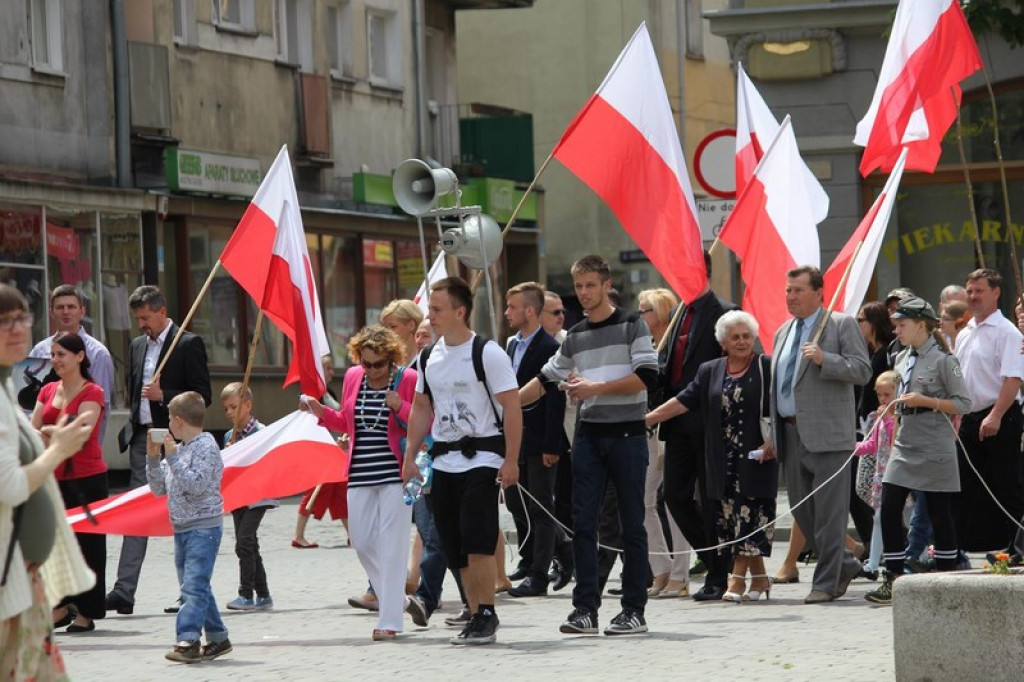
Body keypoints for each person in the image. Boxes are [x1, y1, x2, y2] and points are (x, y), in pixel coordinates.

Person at [520, 254, 658, 636]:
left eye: (590, 285)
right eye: (578, 286)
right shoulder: (576, 335)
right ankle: (584, 610)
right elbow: (545, 379)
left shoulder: (632, 324)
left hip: (628, 435)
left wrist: (595, 388)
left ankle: (633, 610)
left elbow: (648, 376)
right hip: (589, 438)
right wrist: (507, 403)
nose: (583, 292)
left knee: (631, 525)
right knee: (583, 525)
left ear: (606, 285)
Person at [401, 277, 521, 646]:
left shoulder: (488, 353)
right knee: (454, 546)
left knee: (477, 540)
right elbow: (422, 408)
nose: (431, 316)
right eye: (430, 310)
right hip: (444, 462)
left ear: (460, 311)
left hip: (482, 458)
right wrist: (409, 456)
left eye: (437, 309)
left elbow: (512, 407)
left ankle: (486, 612)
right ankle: (473, 611)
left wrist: (511, 460)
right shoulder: (428, 357)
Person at [646, 311, 778, 602]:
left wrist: (775, 441)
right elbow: (684, 400)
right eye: (735, 337)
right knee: (729, 519)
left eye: (746, 336)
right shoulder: (710, 370)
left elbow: (781, 406)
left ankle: (736, 581)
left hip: (756, 456)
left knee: (749, 517)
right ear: (723, 343)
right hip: (721, 457)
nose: (742, 341)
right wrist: (648, 418)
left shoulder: (766, 366)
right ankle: (759, 579)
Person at [0, 284, 95, 680]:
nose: (16, 329)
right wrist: (58, 451)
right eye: (3, 321)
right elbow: (8, 486)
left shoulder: (6, 385)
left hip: (23, 574)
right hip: (8, 578)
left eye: (21, 318)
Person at [301, 325, 418, 641]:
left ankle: (390, 620)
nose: (372, 370)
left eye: (378, 364)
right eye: (366, 363)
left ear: (391, 358)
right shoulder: (354, 377)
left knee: (392, 546)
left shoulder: (407, 379)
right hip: (359, 473)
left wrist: (401, 406)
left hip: (395, 473)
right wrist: (320, 411)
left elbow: (425, 421)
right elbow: (346, 421)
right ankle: (399, 599)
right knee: (362, 540)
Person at [107, 285, 212, 616]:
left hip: (177, 439)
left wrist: (164, 396)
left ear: (162, 312)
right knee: (138, 510)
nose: (141, 324)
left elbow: (203, 396)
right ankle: (124, 591)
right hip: (143, 439)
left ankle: (189, 591)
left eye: (146, 318)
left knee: (184, 515)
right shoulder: (137, 345)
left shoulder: (188, 343)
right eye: (137, 319)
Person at [771, 266, 871, 604]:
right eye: (788, 290)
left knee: (829, 514)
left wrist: (825, 359)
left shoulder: (840, 324)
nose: (791, 296)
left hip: (828, 435)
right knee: (803, 513)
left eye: (798, 290)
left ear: (818, 293)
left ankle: (826, 582)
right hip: (790, 433)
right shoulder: (783, 332)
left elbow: (862, 370)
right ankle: (845, 564)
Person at [865, 298, 971, 604]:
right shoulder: (901, 357)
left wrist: (926, 401)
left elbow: (964, 403)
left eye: (902, 324)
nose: (896, 330)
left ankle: (949, 581)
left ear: (922, 325)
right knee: (889, 506)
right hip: (905, 442)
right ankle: (893, 577)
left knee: (939, 512)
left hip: (934, 441)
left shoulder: (944, 360)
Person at [657, 251, 736, 602]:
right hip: (676, 422)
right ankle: (716, 559)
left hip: (709, 422)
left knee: (712, 499)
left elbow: (730, 366)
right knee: (673, 496)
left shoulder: (725, 312)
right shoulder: (678, 313)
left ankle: (719, 574)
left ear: (704, 273)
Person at [30, 333, 107, 633]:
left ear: (79, 357)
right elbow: (32, 431)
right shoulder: (47, 389)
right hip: (52, 477)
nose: (56, 360)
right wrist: (54, 433)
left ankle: (87, 612)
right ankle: (59, 607)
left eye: (61, 354)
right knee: (53, 546)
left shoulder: (93, 392)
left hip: (87, 480)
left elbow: (80, 434)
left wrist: (49, 432)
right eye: (53, 354)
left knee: (88, 546)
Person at [147, 391, 230, 663]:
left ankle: (188, 639)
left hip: (203, 528)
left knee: (193, 587)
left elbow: (196, 485)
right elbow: (158, 488)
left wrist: (172, 458)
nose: (168, 424)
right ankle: (218, 638)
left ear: (179, 420)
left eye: (170, 418)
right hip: (182, 527)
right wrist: (153, 458)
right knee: (196, 586)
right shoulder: (179, 449)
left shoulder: (206, 446)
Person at [502, 282, 571, 598]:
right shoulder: (511, 345)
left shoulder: (549, 347)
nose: (507, 313)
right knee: (516, 501)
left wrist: (551, 444)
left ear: (529, 311)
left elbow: (555, 398)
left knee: (541, 505)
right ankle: (562, 546)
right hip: (515, 436)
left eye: (512, 307)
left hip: (540, 437)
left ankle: (538, 575)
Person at [953, 269, 1024, 555]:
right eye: (969, 291)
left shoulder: (1007, 332)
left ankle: (1018, 549)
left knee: (1007, 485)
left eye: (979, 291)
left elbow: (1012, 378)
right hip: (969, 418)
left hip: (1000, 415)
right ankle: (960, 549)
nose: (973, 296)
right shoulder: (964, 333)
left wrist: (995, 415)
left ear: (996, 292)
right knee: (965, 485)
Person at [637, 288, 691, 597]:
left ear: (660, 313)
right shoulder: (645, 346)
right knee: (643, 501)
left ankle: (680, 574)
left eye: (644, 310)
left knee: (673, 500)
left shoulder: (675, 346)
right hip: (646, 430)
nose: (639, 315)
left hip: (669, 428)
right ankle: (661, 568)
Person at [29, 285, 115, 442]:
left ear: (82, 311)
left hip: (81, 446)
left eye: (71, 307)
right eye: (60, 307)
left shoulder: (98, 353)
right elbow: (29, 408)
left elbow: (102, 410)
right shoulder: (39, 351)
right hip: (41, 448)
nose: (66, 312)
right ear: (51, 312)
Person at [221, 383, 276, 612]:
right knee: (250, 544)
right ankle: (263, 594)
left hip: (258, 496)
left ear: (247, 405)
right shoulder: (229, 435)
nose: (229, 412)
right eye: (226, 409)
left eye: (234, 407)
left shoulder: (261, 432)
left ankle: (246, 594)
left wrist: (243, 449)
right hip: (239, 496)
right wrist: (229, 452)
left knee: (243, 542)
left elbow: (268, 462)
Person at [293, 354, 349, 551]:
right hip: (323, 450)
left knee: (339, 492)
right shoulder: (313, 396)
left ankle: (352, 535)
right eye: (328, 368)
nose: (332, 372)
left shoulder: (328, 393)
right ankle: (298, 535)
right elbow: (309, 418)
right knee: (316, 492)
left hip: (336, 449)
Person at [853, 370, 900, 580]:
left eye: (887, 395)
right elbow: (872, 444)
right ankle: (873, 562)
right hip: (883, 474)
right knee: (880, 517)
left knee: (904, 517)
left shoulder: (898, 417)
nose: (882, 399)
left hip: (898, 473)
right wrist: (851, 447)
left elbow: (894, 438)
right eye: (879, 395)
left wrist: (888, 418)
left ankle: (916, 554)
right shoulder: (880, 418)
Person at [381, 299, 423, 364]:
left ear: (411, 325)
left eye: (393, 327)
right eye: (385, 327)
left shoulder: (428, 358)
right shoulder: (383, 360)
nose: (387, 332)